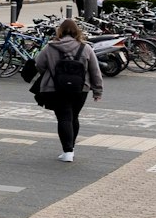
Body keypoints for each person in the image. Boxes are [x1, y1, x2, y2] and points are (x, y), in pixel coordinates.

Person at [33, 18, 104, 162]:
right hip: (80, 89)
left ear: (60, 31)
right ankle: (70, 148)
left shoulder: (50, 47)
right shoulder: (86, 48)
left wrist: (51, 73)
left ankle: (67, 151)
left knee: (64, 117)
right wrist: (97, 90)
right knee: (74, 116)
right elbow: (95, 71)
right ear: (77, 31)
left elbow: (38, 64)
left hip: (56, 88)